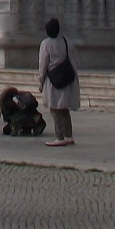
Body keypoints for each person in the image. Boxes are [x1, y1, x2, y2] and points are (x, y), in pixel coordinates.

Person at [37, 16, 80, 147]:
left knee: (55, 110)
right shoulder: (67, 42)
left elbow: (43, 64)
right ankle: (69, 135)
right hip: (66, 77)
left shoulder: (46, 44)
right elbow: (73, 60)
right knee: (64, 109)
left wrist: (40, 80)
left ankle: (59, 136)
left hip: (53, 80)